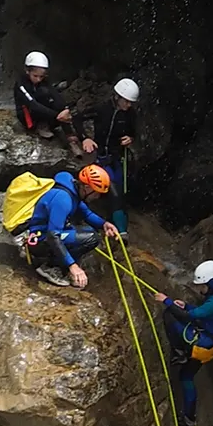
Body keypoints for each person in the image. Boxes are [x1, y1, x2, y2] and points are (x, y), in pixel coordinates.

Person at [152, 261, 213, 426]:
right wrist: (186, 305)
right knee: (186, 377)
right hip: (212, 345)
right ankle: (189, 420)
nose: (200, 289)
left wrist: (167, 301)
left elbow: (187, 317)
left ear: (211, 283)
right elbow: (203, 313)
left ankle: (180, 352)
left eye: (202, 286)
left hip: (200, 346)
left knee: (170, 316)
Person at [20, 165, 119, 288]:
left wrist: (104, 224)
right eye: (96, 193)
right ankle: (51, 267)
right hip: (40, 240)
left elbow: (86, 213)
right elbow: (53, 236)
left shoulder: (73, 192)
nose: (97, 197)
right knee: (91, 238)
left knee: (90, 232)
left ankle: (59, 263)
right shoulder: (63, 199)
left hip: (45, 235)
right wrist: (72, 266)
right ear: (87, 188)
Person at [82, 78, 139, 232]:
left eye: (130, 102)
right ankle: (119, 229)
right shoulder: (102, 108)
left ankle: (119, 225)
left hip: (117, 155)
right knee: (112, 188)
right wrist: (85, 138)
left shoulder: (130, 114)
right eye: (126, 101)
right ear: (118, 97)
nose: (129, 105)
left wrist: (130, 138)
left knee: (121, 190)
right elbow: (77, 118)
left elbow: (133, 131)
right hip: (100, 155)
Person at [14, 51, 79, 151]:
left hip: (45, 113)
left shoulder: (44, 82)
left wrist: (65, 110)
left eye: (41, 76)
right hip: (28, 115)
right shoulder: (21, 84)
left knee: (51, 98)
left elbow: (56, 96)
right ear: (27, 71)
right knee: (42, 97)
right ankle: (40, 125)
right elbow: (32, 105)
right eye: (35, 76)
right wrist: (57, 116)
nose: (39, 79)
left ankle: (68, 133)